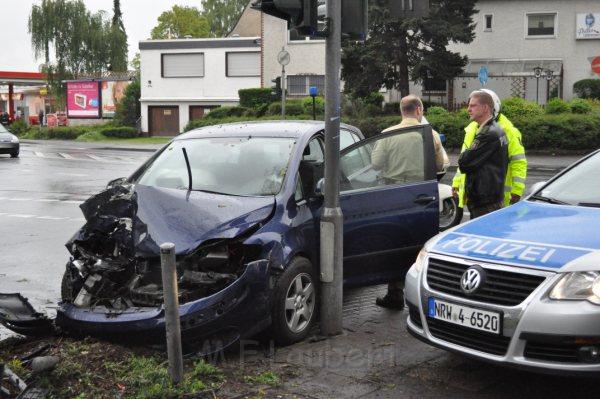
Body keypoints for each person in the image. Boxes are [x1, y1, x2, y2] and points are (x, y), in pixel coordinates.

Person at [374, 94, 449, 310]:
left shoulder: (387, 134)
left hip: (393, 193)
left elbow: (376, 164)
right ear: (419, 111)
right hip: (422, 196)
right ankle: (424, 296)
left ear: (401, 111)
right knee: (422, 243)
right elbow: (438, 166)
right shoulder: (430, 134)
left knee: (394, 242)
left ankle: (394, 293)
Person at [452, 89, 527, 210]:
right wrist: (456, 182)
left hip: (491, 195)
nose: (468, 109)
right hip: (479, 193)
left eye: (473, 105)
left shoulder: (508, 131)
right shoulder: (473, 128)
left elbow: (518, 161)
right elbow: (464, 158)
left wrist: (517, 190)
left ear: (488, 108)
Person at [457, 90, 509, 219]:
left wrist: (465, 154)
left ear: (485, 108)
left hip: (485, 201)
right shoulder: (497, 129)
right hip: (491, 198)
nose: (468, 109)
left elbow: (464, 163)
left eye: (473, 106)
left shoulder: (487, 134)